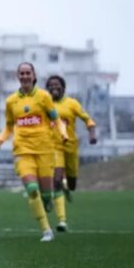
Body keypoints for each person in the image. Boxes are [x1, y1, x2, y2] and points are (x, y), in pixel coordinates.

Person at [0, 62, 67, 242]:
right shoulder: (11, 101)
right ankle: (46, 229)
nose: (25, 76)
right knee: (32, 189)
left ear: (34, 76)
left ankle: (48, 200)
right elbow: (9, 126)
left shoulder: (44, 97)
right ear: (18, 76)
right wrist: (1, 139)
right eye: (22, 73)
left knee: (46, 194)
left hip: (45, 149)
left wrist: (63, 133)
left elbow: (56, 120)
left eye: (28, 73)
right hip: (23, 149)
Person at [46, 75, 97, 231]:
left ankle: (68, 185)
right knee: (56, 180)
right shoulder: (45, 104)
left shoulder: (72, 103)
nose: (54, 87)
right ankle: (62, 221)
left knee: (73, 184)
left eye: (57, 84)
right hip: (54, 147)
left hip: (71, 147)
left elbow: (87, 119)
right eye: (51, 85)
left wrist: (92, 133)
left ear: (63, 87)